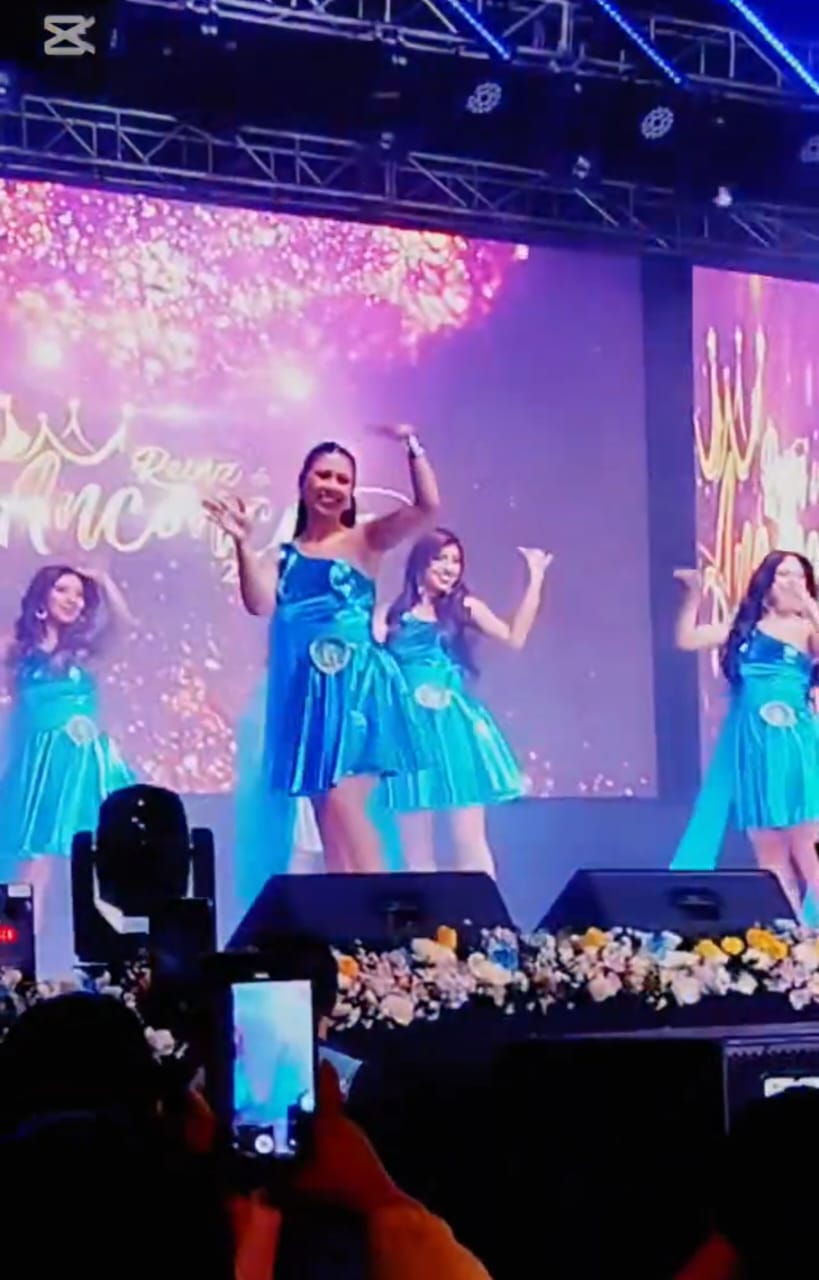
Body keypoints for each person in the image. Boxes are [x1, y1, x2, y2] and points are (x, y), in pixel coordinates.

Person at [204, 427, 439, 873]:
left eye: (342, 479)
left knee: (344, 802)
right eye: (323, 475)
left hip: (356, 688)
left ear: (351, 491)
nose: (331, 485)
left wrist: (412, 446)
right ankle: (346, 913)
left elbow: (427, 508)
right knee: (326, 818)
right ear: (304, 482)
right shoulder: (285, 555)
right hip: (309, 696)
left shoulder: (366, 539)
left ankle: (383, 908)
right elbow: (259, 603)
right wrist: (243, 545)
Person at [378, 529, 550, 876]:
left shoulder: (464, 607)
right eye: (441, 559)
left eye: (456, 561)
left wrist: (536, 578)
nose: (449, 568)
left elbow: (514, 637)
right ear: (420, 563)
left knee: (469, 840)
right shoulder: (391, 614)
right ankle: (422, 911)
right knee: (415, 849)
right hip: (408, 733)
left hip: (453, 728)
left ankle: (484, 909)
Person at [0, 564, 136, 972]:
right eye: (62, 590)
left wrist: (105, 581)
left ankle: (116, 968)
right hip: (40, 765)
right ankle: (18, 968)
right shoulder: (15, 648)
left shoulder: (84, 651)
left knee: (101, 863)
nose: (72, 599)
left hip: (85, 763)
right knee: (33, 867)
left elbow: (124, 625)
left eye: (78, 594)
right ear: (42, 597)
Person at [671, 551, 819, 918]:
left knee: (808, 845)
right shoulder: (744, 629)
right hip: (753, 745)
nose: (791, 583)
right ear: (766, 583)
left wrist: (808, 605)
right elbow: (687, 639)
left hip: (795, 744)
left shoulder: (806, 628)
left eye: (799, 576)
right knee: (770, 852)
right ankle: (794, 934)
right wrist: (694, 595)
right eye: (783, 575)